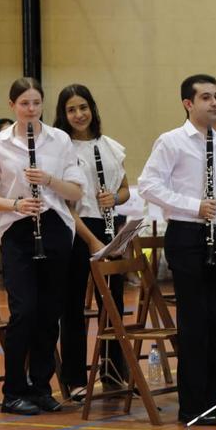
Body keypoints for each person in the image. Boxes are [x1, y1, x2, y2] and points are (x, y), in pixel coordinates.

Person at [0, 78, 85, 415]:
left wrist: (48, 180)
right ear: (12, 105)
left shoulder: (59, 139)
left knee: (49, 312)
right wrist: (16, 204)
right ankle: (13, 391)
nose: (31, 109)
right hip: (18, 229)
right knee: (24, 311)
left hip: (54, 227)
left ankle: (40, 388)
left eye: (36, 103)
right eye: (24, 103)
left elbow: (76, 192)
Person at [138, 74, 216, 426]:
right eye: (207, 97)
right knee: (194, 324)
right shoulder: (172, 141)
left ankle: (211, 402)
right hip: (187, 236)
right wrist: (194, 206)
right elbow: (148, 185)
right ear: (188, 103)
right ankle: (192, 407)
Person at [54, 83, 130, 398]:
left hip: (108, 225)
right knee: (72, 304)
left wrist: (114, 198)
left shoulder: (109, 145)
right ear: (63, 114)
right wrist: (91, 240)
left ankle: (113, 371)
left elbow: (125, 190)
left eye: (83, 107)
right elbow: (64, 205)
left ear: (92, 108)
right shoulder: (61, 149)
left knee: (112, 302)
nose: (79, 114)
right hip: (76, 230)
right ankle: (74, 379)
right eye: (71, 109)